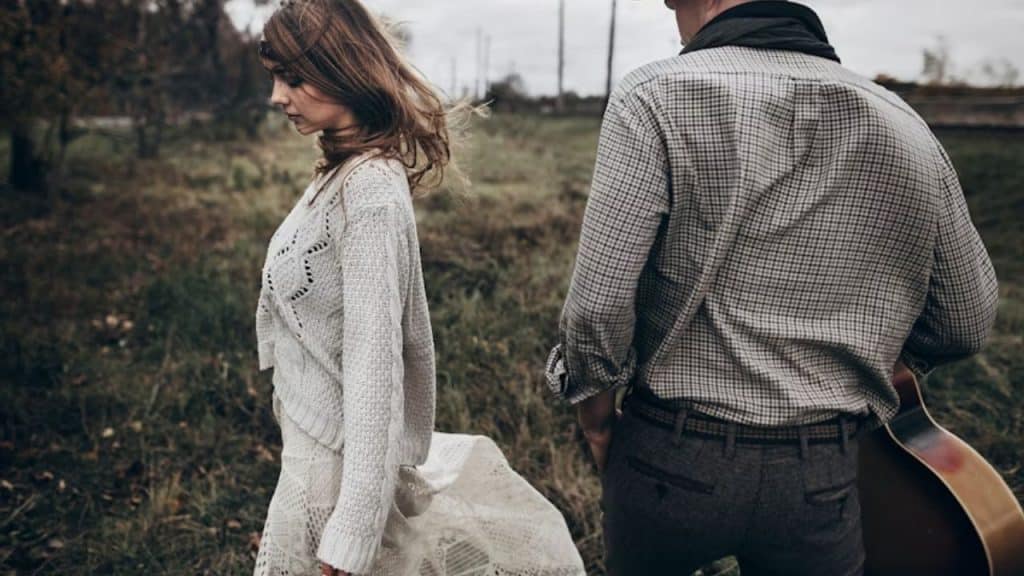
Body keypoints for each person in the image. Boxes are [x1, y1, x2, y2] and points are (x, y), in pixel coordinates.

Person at [545, 0, 999, 574]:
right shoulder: (903, 122)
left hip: (667, 456)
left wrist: (596, 416)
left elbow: (597, 307)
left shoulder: (654, 95)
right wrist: (875, 352)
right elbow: (968, 319)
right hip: (823, 471)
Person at [252, 1, 585, 575]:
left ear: (342, 69)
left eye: (293, 77)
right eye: (275, 77)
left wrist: (351, 535)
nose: (277, 96)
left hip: (333, 479)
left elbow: (376, 371)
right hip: (311, 455)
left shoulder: (370, 193)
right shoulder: (341, 172)